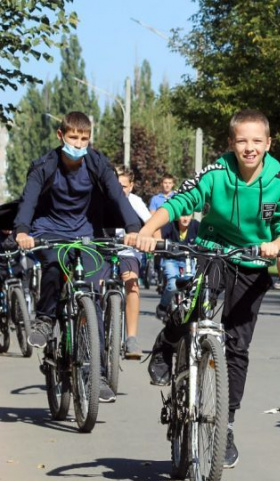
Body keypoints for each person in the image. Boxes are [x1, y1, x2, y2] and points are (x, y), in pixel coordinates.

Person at [128, 109, 280, 468]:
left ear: (268, 143)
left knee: (237, 345)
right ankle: (167, 343)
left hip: (253, 261)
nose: (249, 148)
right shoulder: (215, 173)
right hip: (213, 251)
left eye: (257, 141)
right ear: (231, 143)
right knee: (191, 305)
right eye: (242, 141)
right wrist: (148, 231)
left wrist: (276, 246)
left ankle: (227, 423)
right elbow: (180, 202)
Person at [14, 111, 142, 403]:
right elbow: (29, 198)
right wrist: (23, 230)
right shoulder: (46, 165)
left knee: (90, 296)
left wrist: (133, 227)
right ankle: (45, 318)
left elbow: (116, 195)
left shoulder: (96, 163)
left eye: (84, 138)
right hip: (48, 229)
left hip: (86, 232)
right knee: (52, 265)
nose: (79, 143)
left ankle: (96, 373)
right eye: (73, 137)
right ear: (61, 136)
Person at [115, 165, 154, 359]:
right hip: (103, 249)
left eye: (123, 186)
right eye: (116, 185)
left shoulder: (136, 202)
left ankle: (131, 338)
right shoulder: (102, 198)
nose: (120, 189)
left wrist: (154, 241)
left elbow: (152, 224)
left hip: (127, 251)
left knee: (132, 283)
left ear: (131, 186)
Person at [155, 212, 200, 319]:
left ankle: (192, 309)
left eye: (188, 215)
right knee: (173, 285)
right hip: (171, 259)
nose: (185, 218)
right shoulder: (170, 225)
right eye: (182, 215)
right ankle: (163, 306)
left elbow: (204, 240)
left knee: (194, 285)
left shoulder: (196, 225)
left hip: (189, 260)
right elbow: (159, 236)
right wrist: (159, 243)